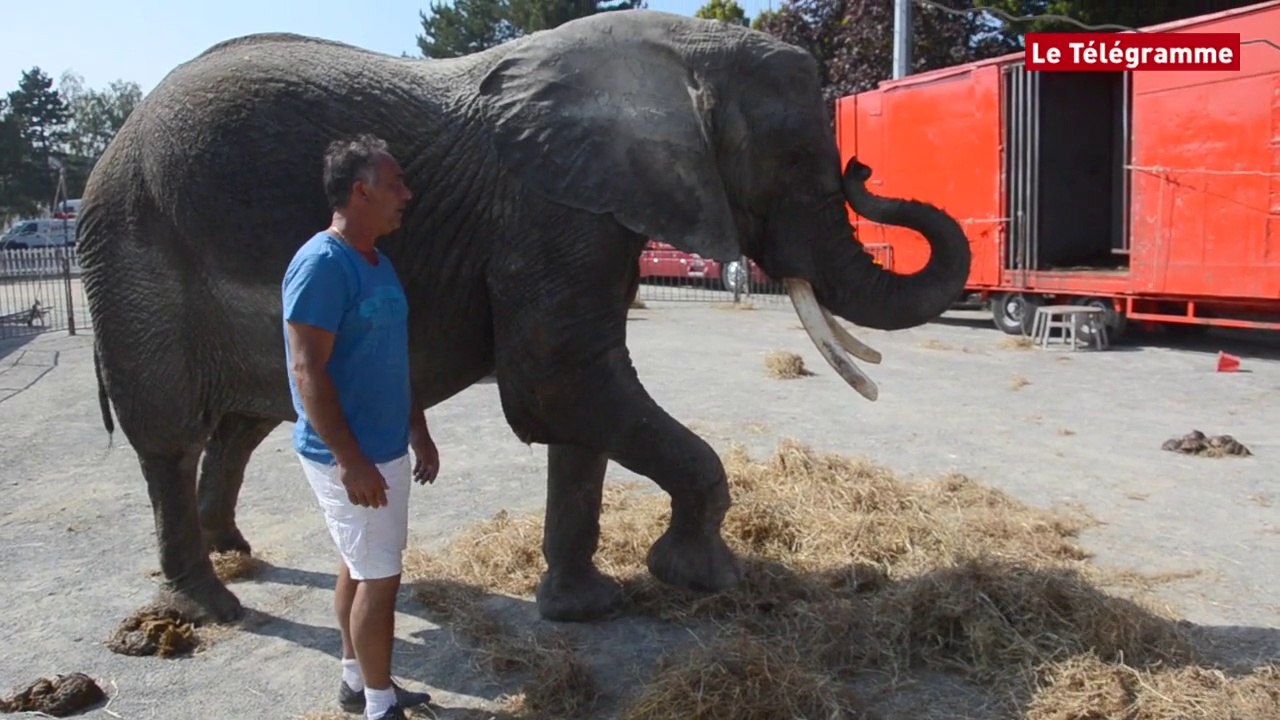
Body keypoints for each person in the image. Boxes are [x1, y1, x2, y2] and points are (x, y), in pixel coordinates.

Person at [282, 134, 437, 720]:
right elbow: (307, 369)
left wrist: (417, 428)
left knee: (358, 562)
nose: (407, 194)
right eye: (395, 184)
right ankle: (380, 706)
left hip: (382, 446)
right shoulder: (323, 264)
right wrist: (350, 460)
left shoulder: (378, 263)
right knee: (381, 576)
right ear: (360, 191)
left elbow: (392, 357)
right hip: (349, 454)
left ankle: (357, 682)